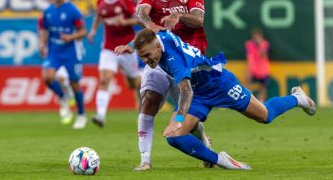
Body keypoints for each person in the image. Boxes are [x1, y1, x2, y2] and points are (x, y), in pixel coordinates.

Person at [117, 28, 316, 169]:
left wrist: (178, 119)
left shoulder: (172, 59)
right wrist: (130, 46)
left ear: (158, 49)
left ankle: (297, 98)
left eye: (147, 55)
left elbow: (185, 91)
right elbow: (150, 32)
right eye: (142, 56)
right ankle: (222, 160)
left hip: (219, 84)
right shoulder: (157, 38)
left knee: (265, 115)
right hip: (199, 94)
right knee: (174, 138)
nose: (145, 61)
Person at [133, 0, 209, 170]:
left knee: (186, 116)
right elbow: (140, 14)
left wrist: (179, 16)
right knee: (149, 100)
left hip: (185, 61)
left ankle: (203, 142)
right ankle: (145, 159)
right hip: (159, 58)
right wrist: (151, 25)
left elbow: (198, 20)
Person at [87, 0, 141, 127]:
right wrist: (92, 30)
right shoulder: (100, 2)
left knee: (133, 83)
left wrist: (124, 21)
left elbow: (138, 18)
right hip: (109, 48)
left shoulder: (124, 0)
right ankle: (100, 116)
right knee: (104, 79)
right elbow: (98, 16)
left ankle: (141, 104)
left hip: (126, 48)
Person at [38, 0, 88, 129]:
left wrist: (70, 37)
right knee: (47, 77)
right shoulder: (48, 12)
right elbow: (44, 29)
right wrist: (42, 43)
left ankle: (81, 115)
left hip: (70, 52)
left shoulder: (73, 10)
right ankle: (63, 97)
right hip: (54, 51)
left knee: (75, 84)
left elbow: (83, 31)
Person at [245, 28, 270, 103]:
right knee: (248, 82)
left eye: (258, 37)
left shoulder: (265, 44)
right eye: (255, 37)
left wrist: (260, 45)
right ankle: (250, 99)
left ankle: (261, 101)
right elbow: (249, 56)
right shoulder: (248, 44)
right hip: (253, 69)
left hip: (263, 70)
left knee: (263, 86)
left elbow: (264, 55)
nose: (256, 39)